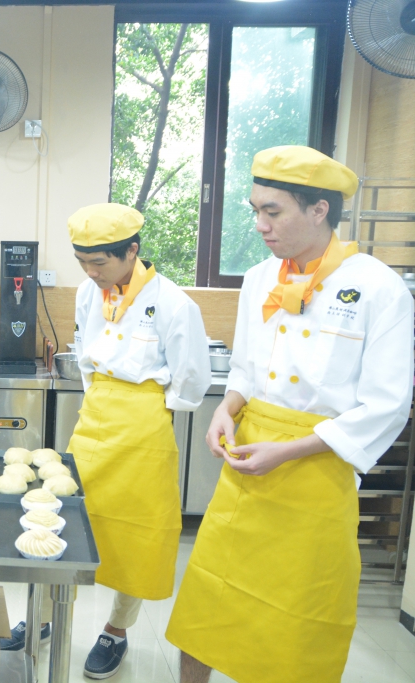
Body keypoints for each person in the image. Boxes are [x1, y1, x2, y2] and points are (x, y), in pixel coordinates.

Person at [166, 146, 414, 683]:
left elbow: (387, 405)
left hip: (316, 474)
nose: (260, 224)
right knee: (206, 607)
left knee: (296, 628)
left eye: (272, 211)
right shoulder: (261, 278)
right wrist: (226, 408)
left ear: (319, 210)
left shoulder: (379, 289)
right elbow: (246, 368)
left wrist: (290, 450)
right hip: (247, 471)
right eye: (256, 209)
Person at [66, 203, 211, 679]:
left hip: (145, 421)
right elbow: (85, 357)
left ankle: (116, 629)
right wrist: (103, 398)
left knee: (137, 535)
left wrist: (147, 406)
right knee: (69, 520)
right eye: (82, 262)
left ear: (132, 251)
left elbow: (192, 381)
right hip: (95, 417)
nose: (91, 273)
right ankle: (48, 613)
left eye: (99, 262)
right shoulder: (88, 293)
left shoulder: (173, 303)